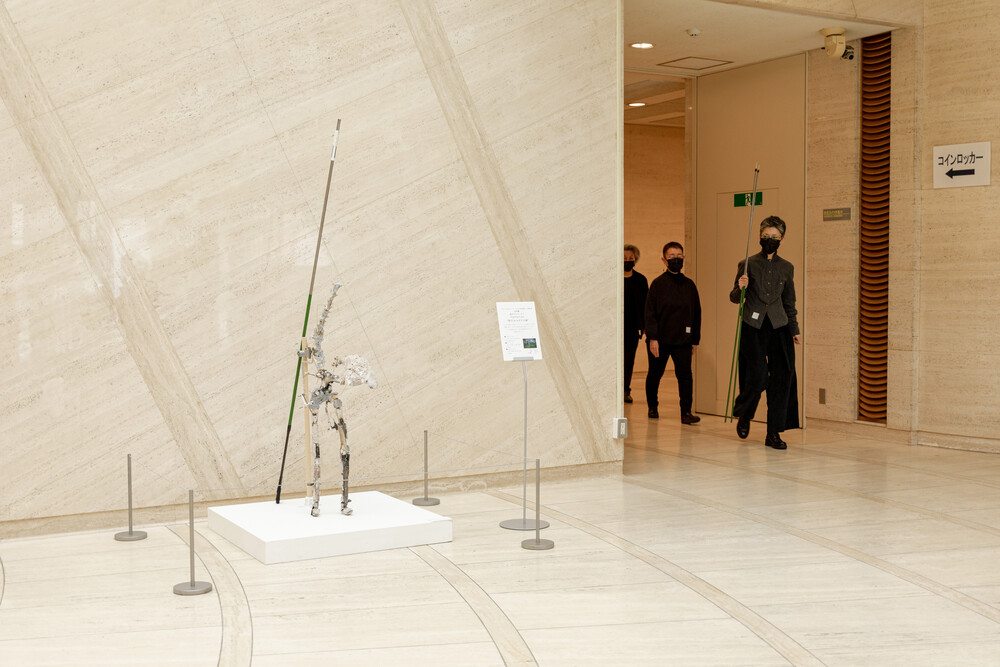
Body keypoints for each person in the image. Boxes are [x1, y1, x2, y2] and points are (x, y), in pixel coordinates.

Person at [729, 215, 801, 449]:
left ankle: (773, 433)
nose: (770, 239)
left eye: (775, 236)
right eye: (766, 236)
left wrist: (794, 329)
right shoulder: (747, 264)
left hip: (779, 328)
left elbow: (789, 302)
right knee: (758, 377)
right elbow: (735, 298)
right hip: (753, 327)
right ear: (760, 237)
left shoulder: (787, 267)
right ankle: (745, 414)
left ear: (782, 239)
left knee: (782, 379)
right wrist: (740, 287)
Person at [644, 242, 701, 423]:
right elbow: (650, 313)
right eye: (672, 256)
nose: (676, 259)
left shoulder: (689, 285)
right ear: (664, 260)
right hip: (660, 340)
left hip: (683, 340)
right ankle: (653, 407)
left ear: (683, 258)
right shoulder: (657, 284)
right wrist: (653, 338)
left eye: (679, 256)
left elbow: (696, 313)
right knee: (655, 374)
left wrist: (695, 340)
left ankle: (686, 412)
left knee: (685, 376)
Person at [623, 244, 648, 404]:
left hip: (633, 328)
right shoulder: (613, 278)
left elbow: (646, 304)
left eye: (631, 258)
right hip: (615, 327)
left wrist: (644, 325)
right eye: (624, 258)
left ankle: (625, 389)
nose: (627, 261)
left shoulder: (641, 280)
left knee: (628, 360)